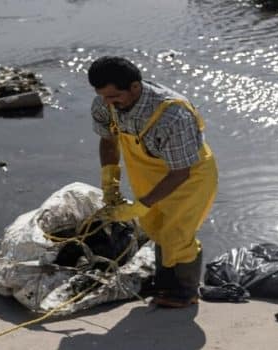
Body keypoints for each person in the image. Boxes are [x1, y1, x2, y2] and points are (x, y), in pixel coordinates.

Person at [88, 56, 218, 308]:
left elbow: (181, 172)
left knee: (177, 234)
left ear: (135, 87)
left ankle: (185, 293)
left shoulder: (173, 114)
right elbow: (108, 140)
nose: (108, 103)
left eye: (114, 97)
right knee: (156, 228)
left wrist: (140, 205)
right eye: (103, 96)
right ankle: (166, 286)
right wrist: (110, 182)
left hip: (190, 177)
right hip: (147, 173)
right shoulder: (105, 104)